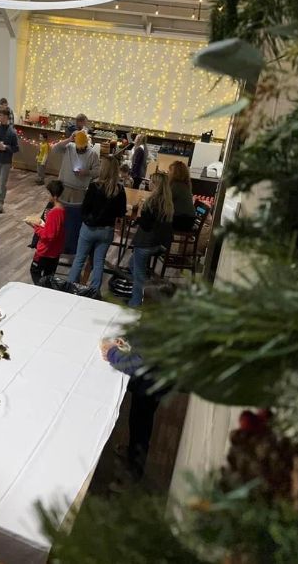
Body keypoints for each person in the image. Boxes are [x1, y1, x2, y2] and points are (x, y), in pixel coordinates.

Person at [101, 337, 168, 483]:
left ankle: (133, 472)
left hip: (153, 382)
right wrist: (129, 341)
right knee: (137, 419)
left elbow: (139, 364)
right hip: (153, 379)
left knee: (141, 425)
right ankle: (132, 453)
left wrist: (112, 353)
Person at [68, 159, 128, 292]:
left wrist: (87, 220)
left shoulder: (94, 186)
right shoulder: (119, 190)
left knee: (79, 259)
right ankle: (94, 291)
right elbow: (121, 212)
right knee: (99, 261)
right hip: (107, 230)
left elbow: (84, 208)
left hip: (89, 228)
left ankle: (70, 287)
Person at [129, 173, 175, 307]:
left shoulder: (151, 201)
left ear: (155, 185)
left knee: (138, 274)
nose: (149, 183)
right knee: (133, 265)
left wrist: (138, 215)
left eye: (151, 181)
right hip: (159, 243)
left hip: (145, 243)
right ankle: (147, 291)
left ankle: (137, 302)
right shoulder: (168, 203)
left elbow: (146, 224)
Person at [29, 179, 67, 284]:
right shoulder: (62, 210)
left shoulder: (54, 213)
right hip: (55, 251)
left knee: (35, 272)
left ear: (54, 196)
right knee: (49, 277)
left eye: (49, 194)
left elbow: (48, 235)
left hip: (45, 251)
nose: (48, 196)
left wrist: (35, 227)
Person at [54, 130, 99, 202]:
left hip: (80, 190)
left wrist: (86, 172)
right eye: (78, 147)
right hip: (63, 186)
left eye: (82, 147)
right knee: (61, 210)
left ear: (87, 143)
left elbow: (97, 172)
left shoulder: (93, 154)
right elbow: (55, 149)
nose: (80, 149)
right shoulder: (69, 147)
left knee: (74, 211)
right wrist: (69, 139)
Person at [0, 108, 21, 211]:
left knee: (2, 182)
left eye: (1, 115)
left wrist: (6, 147)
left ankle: (0, 203)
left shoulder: (12, 132)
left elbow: (16, 148)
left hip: (6, 161)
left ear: (6, 117)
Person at [168, 161, 198, 232]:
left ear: (176, 173)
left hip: (182, 221)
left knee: (155, 218)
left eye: (170, 170)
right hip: (188, 220)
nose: (168, 172)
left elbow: (164, 200)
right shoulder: (185, 185)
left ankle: (158, 240)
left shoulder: (176, 185)